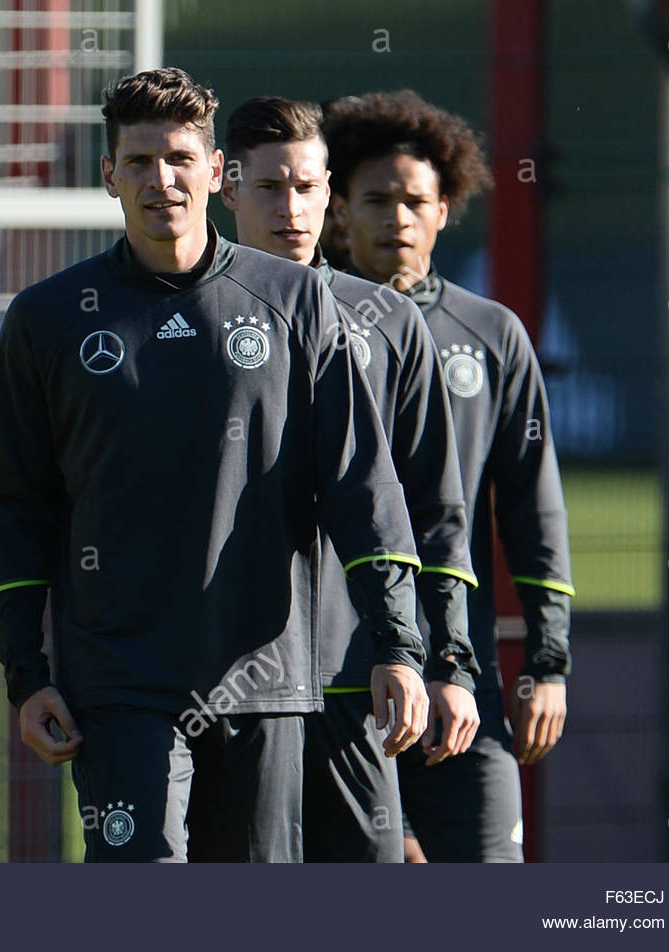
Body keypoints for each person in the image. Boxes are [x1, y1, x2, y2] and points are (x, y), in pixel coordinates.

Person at [0, 68, 428, 863]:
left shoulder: (295, 301)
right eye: (139, 162)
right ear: (107, 175)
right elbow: (12, 506)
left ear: (216, 173)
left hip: (264, 677)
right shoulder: (47, 319)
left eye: (181, 159)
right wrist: (25, 672)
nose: (162, 180)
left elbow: (358, 479)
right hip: (116, 684)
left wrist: (398, 643)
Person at [220, 96, 479, 862]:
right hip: (227, 688)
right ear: (225, 187)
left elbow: (435, 508)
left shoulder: (388, 323)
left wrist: (451, 663)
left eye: (305, 187)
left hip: (356, 676)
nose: (289, 208)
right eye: (268, 187)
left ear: (328, 193)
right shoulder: (188, 322)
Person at [323, 89, 574, 862]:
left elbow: (533, 508)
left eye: (415, 200)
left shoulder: (492, 335)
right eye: (377, 199)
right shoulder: (306, 322)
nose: (397, 216)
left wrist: (548, 661)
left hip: (463, 679)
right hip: (339, 679)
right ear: (339, 211)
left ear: (444, 210)